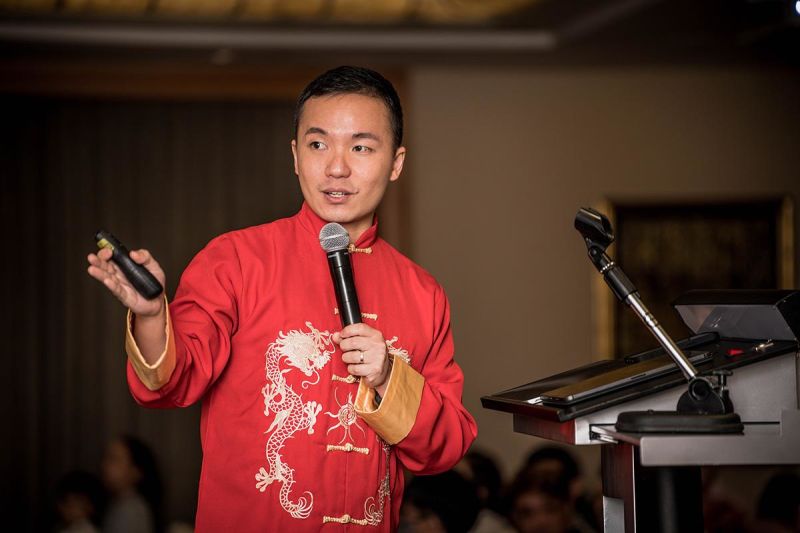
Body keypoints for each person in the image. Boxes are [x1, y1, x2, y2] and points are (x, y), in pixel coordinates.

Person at [87, 66, 477, 531]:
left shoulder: (422, 292)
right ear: (295, 156)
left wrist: (390, 375)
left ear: (395, 162)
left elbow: (446, 446)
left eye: (361, 147)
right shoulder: (235, 259)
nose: (336, 167)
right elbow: (172, 382)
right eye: (318, 145)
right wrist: (151, 315)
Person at [101, 435, 164, 533]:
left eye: (114, 459)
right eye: (106, 458)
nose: (104, 466)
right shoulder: (117, 504)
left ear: (136, 472)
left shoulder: (133, 511)